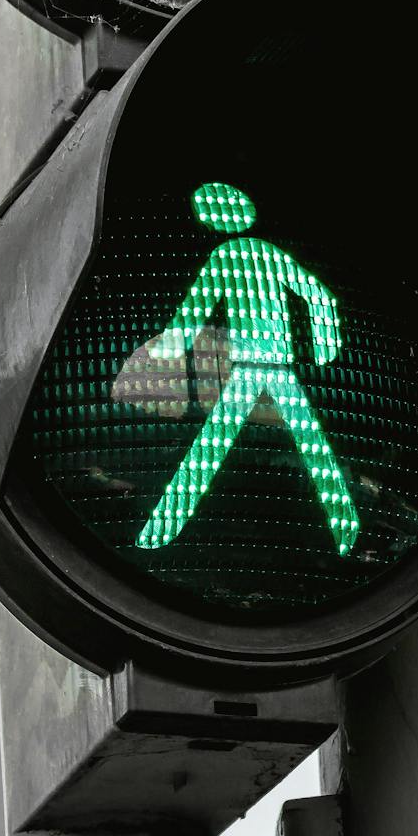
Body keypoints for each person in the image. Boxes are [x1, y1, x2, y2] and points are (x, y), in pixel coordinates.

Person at [135, 181, 360, 557]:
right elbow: (319, 295)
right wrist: (324, 347)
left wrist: (170, 349)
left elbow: (195, 309)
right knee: (314, 450)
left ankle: (162, 528)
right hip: (278, 366)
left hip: (251, 369)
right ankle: (346, 528)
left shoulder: (226, 256)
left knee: (209, 447)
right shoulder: (271, 254)